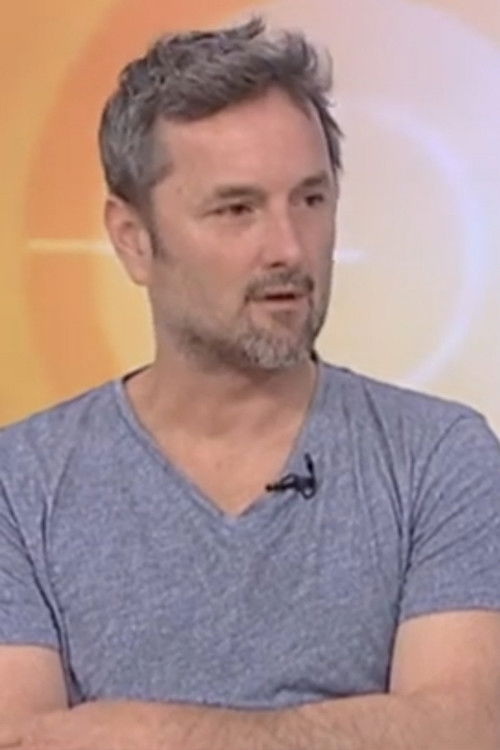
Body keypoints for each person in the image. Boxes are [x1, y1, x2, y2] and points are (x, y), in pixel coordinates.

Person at [1, 17, 500, 750]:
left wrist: (145, 733)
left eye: (311, 199)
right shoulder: (21, 485)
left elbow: (463, 730)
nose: (289, 248)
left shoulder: (439, 457)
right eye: (237, 209)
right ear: (134, 240)